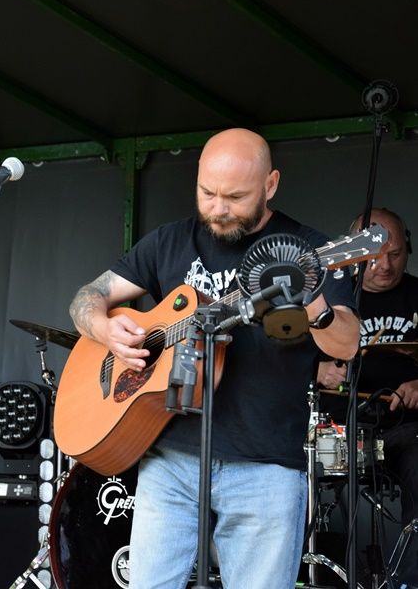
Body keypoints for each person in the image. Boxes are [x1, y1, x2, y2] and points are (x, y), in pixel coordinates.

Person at [68, 128, 359, 589]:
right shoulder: (168, 242)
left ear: (271, 185)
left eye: (235, 196)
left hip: (265, 467)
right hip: (168, 458)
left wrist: (313, 303)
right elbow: (88, 297)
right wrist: (104, 327)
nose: (218, 208)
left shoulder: (308, 249)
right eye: (208, 193)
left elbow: (346, 344)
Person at [316, 208, 418, 541]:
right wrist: (316, 370)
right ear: (354, 255)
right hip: (339, 431)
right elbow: (278, 361)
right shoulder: (331, 301)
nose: (386, 265)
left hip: (406, 430)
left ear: (409, 248)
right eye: (374, 257)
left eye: (396, 254)